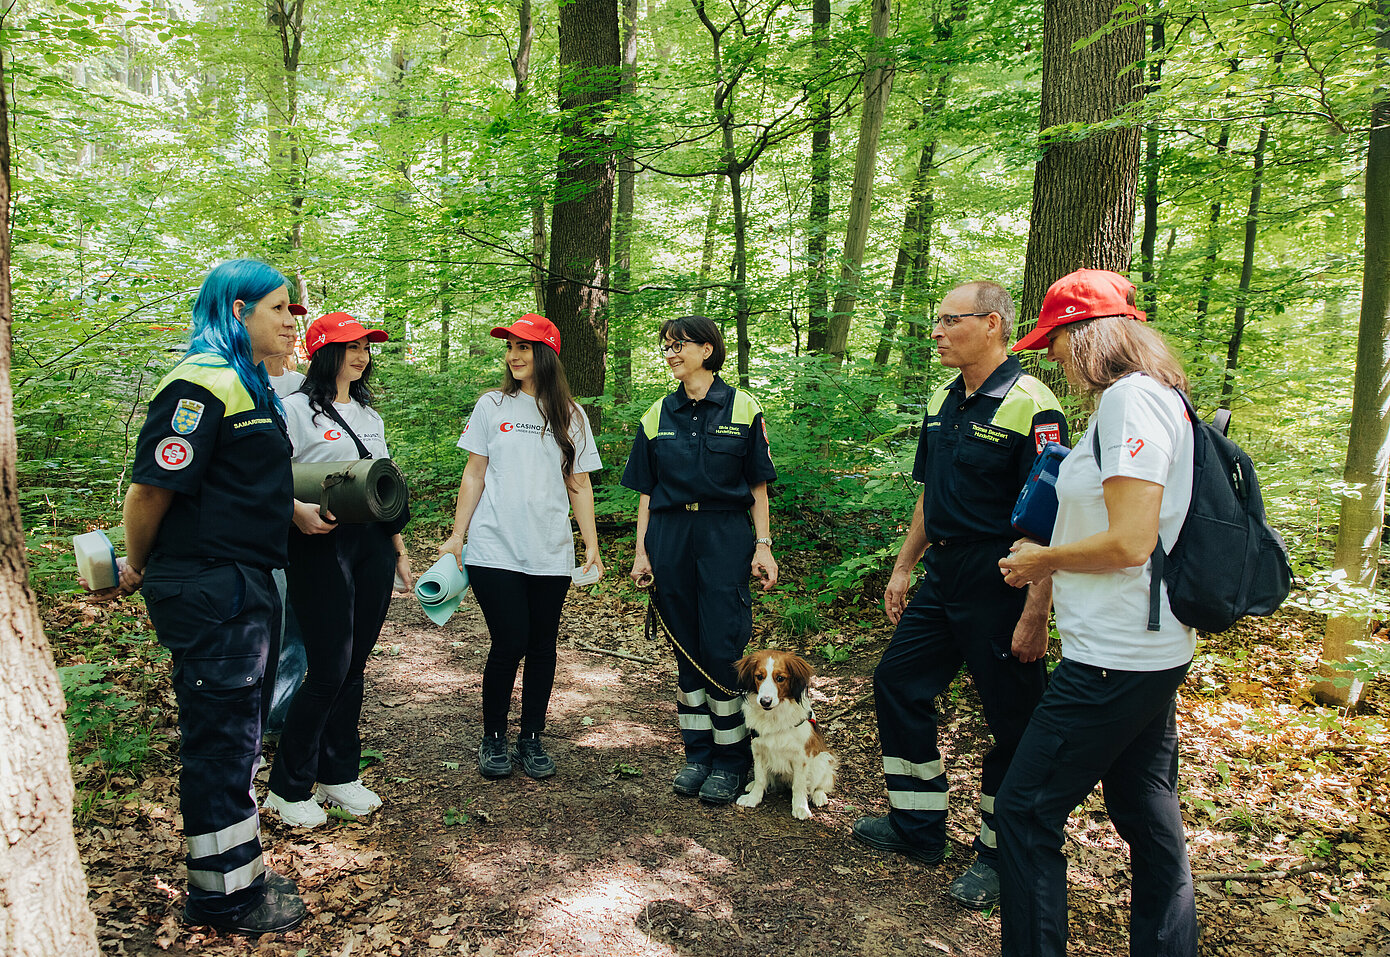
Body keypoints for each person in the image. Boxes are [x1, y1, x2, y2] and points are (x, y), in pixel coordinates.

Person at [996, 269, 1198, 956]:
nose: (1051, 355)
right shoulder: (1155, 397)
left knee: (1025, 809)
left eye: (1054, 340)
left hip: (1115, 656)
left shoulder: (1131, 402)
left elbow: (1130, 541)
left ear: (1085, 336)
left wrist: (1042, 560)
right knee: (1145, 809)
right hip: (1145, 648)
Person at [851, 282, 1067, 911]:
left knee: (1013, 719)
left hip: (1004, 577)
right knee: (898, 683)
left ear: (993, 324)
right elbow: (931, 493)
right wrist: (903, 566)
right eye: (937, 320)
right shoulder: (943, 399)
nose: (937, 332)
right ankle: (917, 825)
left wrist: (1036, 612)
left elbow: (1053, 516)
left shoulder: (1033, 404)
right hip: (943, 574)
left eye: (950, 320)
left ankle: (1002, 854)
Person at [111, 259, 306, 934]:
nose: (291, 321)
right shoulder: (199, 381)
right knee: (221, 743)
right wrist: (136, 563)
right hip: (211, 585)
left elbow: (242, 483)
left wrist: (295, 513)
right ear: (236, 311)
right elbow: (151, 489)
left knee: (241, 739)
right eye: (278, 308)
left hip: (244, 583)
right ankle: (223, 899)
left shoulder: (249, 382)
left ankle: (239, 875)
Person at [262, 312, 414, 828]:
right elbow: (268, 474)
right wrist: (294, 513)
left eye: (366, 347)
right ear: (324, 352)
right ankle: (287, 787)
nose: (361, 356)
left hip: (371, 545)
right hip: (319, 544)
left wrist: (398, 550)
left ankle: (338, 774)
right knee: (328, 669)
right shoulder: (292, 409)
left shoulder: (370, 416)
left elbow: (383, 489)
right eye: (351, 347)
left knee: (354, 668)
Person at [621, 315, 778, 806]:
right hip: (670, 534)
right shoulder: (657, 413)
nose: (670, 353)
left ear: (707, 349)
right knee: (685, 648)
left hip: (723, 534)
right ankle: (698, 755)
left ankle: (730, 762)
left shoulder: (743, 406)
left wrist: (763, 545)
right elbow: (647, 492)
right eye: (665, 346)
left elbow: (757, 485)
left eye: (679, 345)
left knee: (722, 647)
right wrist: (642, 552)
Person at [439, 314, 602, 780]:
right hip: (494, 546)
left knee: (543, 645)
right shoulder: (492, 405)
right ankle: (494, 736)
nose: (513, 355)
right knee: (510, 640)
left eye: (523, 347)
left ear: (545, 354)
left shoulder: (571, 414)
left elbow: (579, 484)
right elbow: (474, 473)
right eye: (510, 347)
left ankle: (531, 736)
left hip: (550, 550)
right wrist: (457, 535)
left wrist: (591, 545)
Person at [264, 304, 308, 741]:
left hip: (308, 526)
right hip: (271, 521)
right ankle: (255, 717)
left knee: (298, 620)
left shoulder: (304, 386)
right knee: (270, 621)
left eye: (293, 317)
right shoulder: (246, 383)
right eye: (278, 312)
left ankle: (281, 718)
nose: (289, 326)